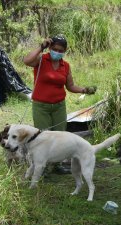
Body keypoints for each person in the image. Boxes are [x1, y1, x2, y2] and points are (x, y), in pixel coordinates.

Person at [23, 35, 96, 174]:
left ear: (64, 51)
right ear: (50, 48)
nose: (57, 52)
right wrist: (41, 47)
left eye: (60, 50)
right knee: (43, 137)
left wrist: (85, 90)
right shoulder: (41, 60)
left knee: (60, 137)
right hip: (41, 106)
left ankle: (56, 166)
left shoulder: (65, 66)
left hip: (59, 106)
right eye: (54, 49)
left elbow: (71, 86)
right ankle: (41, 167)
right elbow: (27, 61)